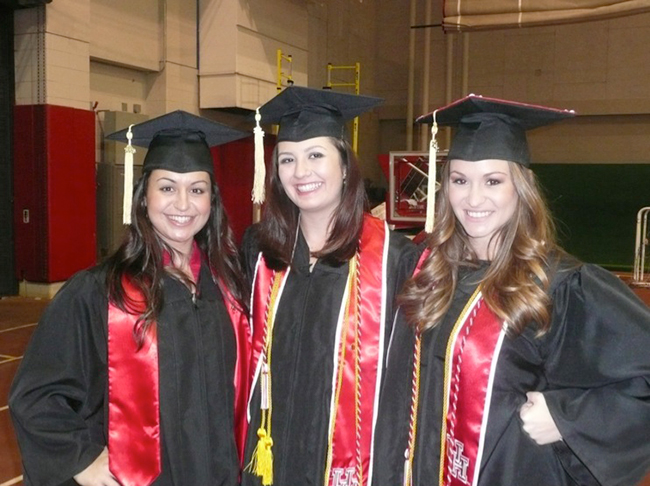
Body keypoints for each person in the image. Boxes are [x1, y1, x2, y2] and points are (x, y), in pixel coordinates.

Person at [372, 95, 650, 486]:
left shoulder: (559, 286)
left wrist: (567, 416)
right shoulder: (426, 267)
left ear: (521, 187)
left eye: (493, 181)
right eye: (459, 180)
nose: (473, 199)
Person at [9, 110, 252, 486]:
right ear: (143, 195)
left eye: (197, 189)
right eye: (167, 187)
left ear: (212, 200)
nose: (183, 204)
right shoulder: (98, 292)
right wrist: (81, 460)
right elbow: (37, 394)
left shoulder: (231, 287)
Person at [240, 86, 419, 486]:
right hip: (269, 457)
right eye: (287, 159)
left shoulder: (398, 262)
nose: (300, 172)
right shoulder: (258, 251)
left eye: (315, 155)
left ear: (344, 165)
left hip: (353, 467)